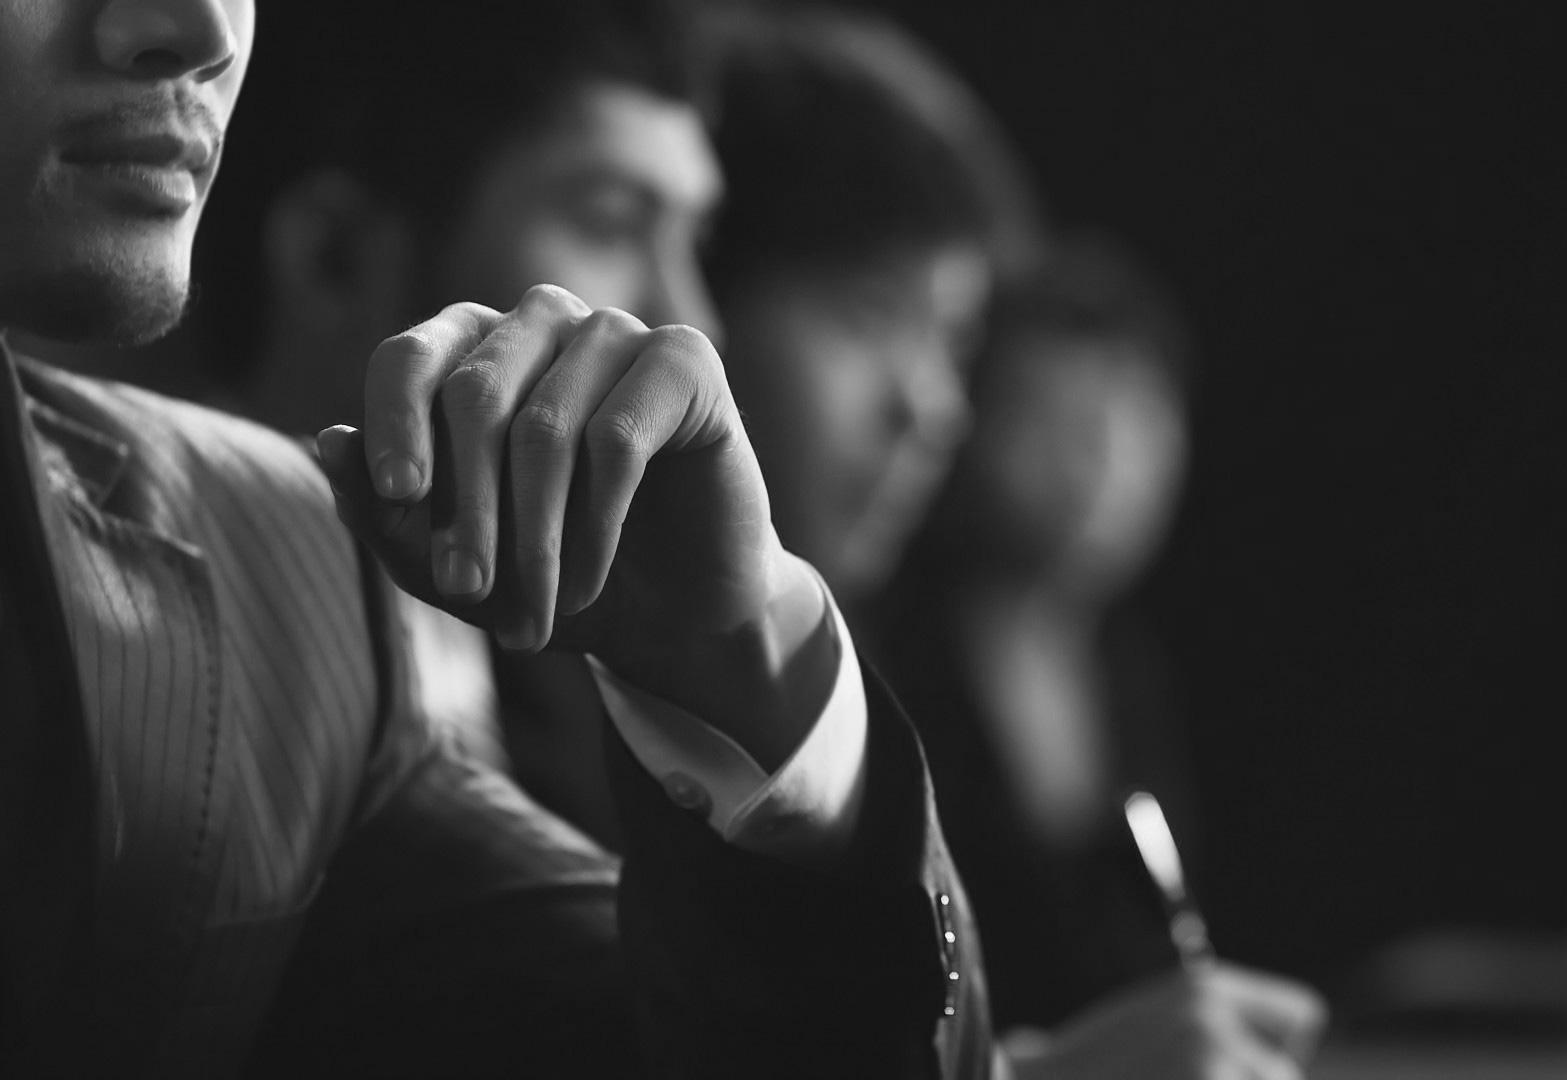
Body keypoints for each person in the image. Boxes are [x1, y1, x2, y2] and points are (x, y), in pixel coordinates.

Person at [0, 0, 995, 1075]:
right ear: (333, 254)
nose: (203, 26)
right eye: (608, 220)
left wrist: (745, 651)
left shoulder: (305, 612)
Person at [695, 12, 1324, 1078]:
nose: (929, 409)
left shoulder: (1089, 667)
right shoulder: (594, 650)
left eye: (951, 344)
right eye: (868, 315)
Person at [873, 233, 1324, 1077]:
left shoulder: (1130, 668)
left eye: (1139, 421)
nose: (1104, 463)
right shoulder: (886, 661)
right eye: (1058, 420)